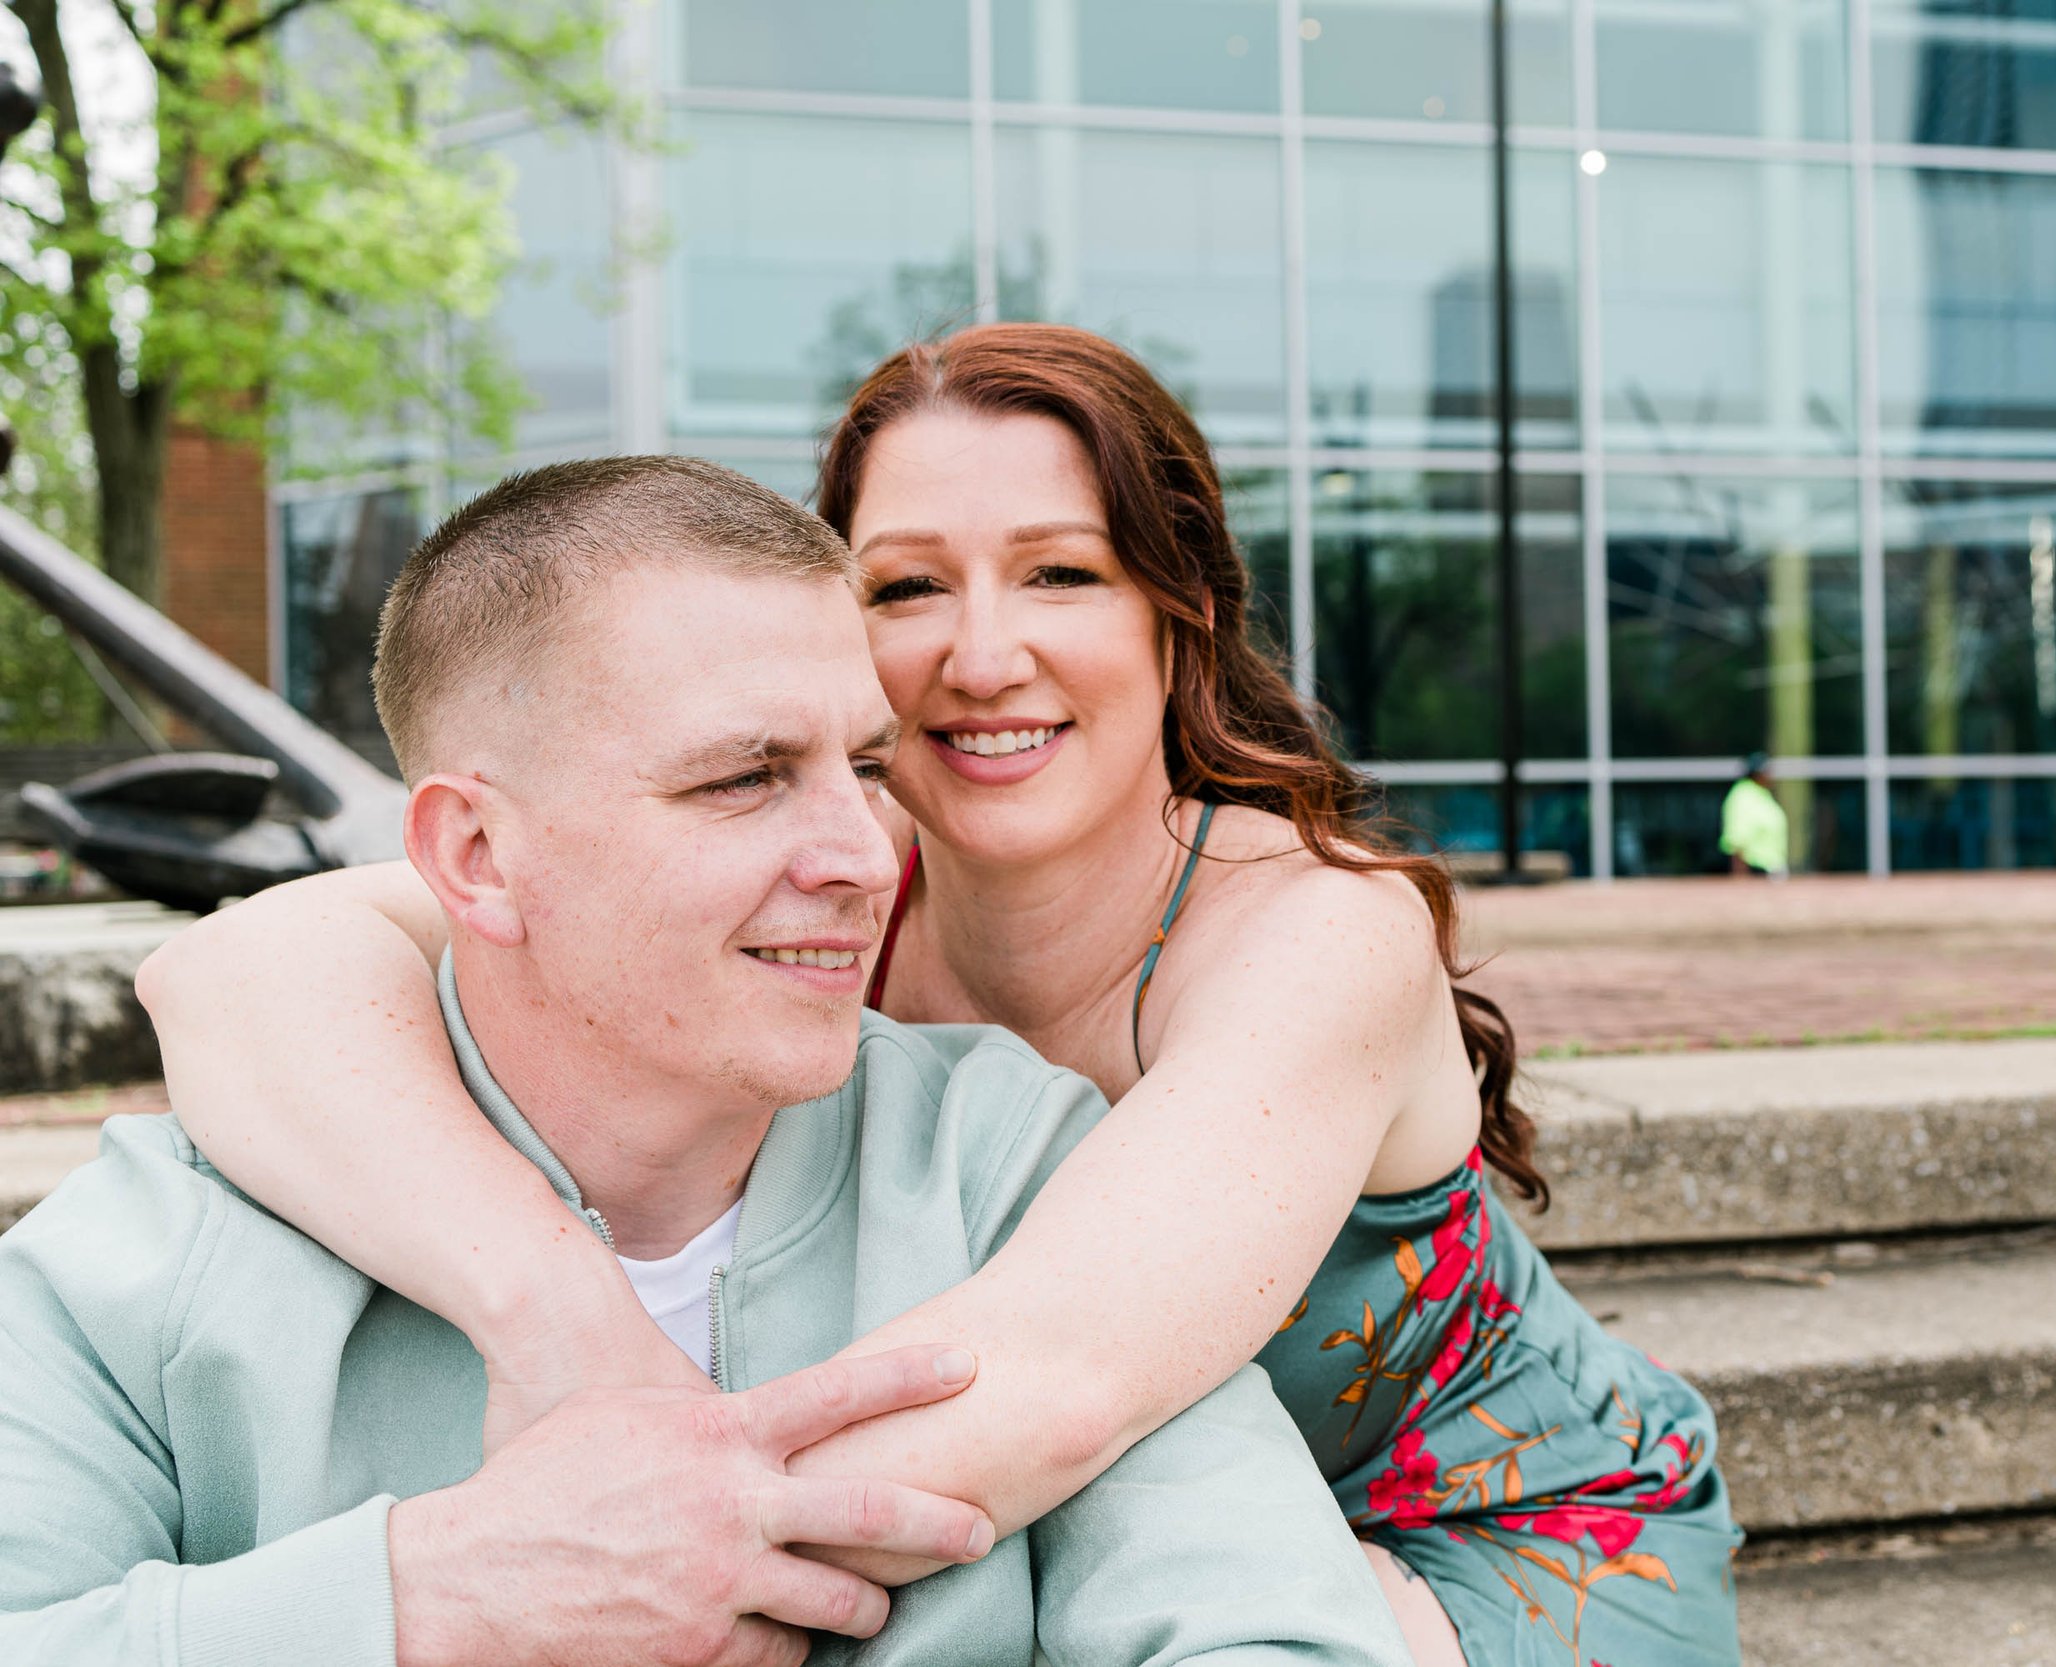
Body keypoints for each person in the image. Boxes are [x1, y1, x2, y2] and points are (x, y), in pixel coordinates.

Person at [137, 327, 1744, 1666]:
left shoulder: (1317, 926)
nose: (981, 656)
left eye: (1061, 573)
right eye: (908, 588)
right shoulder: (824, 878)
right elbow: (230, 972)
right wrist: (554, 1314)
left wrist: (581, 1547)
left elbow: (1046, 1386)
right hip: (1081, 1521)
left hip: (1473, 1535)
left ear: (1175, 613)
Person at [0, 456, 1410, 1667]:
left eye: (867, 765)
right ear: (477, 856)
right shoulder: (145, 1264)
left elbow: (1266, 1625)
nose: (868, 857)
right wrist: (432, 1589)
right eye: (742, 778)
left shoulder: (1013, 1167)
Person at [1720, 753, 1790, 878]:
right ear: (1756, 774)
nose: (1770, 775)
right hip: (1755, 873)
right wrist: (1742, 880)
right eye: (1766, 771)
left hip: (1771, 870)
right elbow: (1737, 841)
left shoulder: (1761, 794)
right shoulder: (1742, 796)